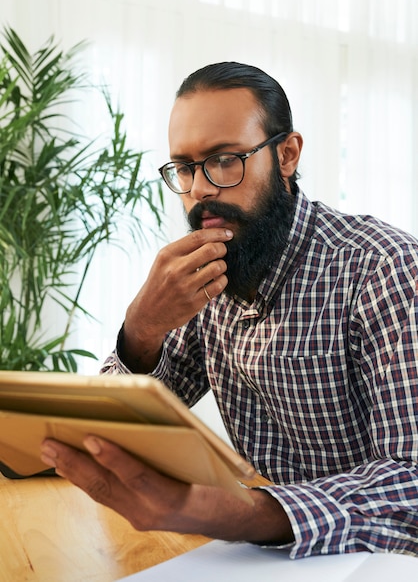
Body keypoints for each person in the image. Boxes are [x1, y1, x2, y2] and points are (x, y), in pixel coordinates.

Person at [40, 61, 418, 559]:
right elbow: (116, 431)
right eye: (184, 167)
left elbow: (410, 481)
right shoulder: (210, 271)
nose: (198, 189)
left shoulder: (384, 269)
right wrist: (141, 328)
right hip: (269, 557)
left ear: (286, 155)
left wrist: (243, 512)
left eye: (223, 160)